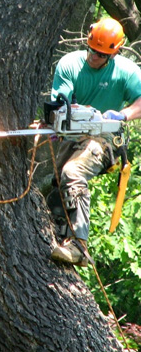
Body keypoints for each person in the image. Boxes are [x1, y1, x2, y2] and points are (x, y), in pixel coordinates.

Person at [49, 17, 141, 266]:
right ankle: (57, 235)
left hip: (105, 138)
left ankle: (79, 247)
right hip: (73, 134)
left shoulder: (127, 71)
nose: (94, 56)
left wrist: (123, 114)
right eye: (92, 50)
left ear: (114, 52)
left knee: (73, 172)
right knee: (54, 184)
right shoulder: (70, 64)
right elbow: (60, 100)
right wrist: (60, 117)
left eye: (101, 54)